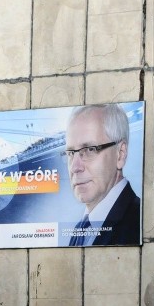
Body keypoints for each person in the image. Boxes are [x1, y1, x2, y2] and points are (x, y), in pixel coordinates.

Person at [62, 104, 141, 246]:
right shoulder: (78, 231)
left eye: (90, 150)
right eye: (70, 153)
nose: (74, 167)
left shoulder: (140, 224)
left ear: (120, 154)